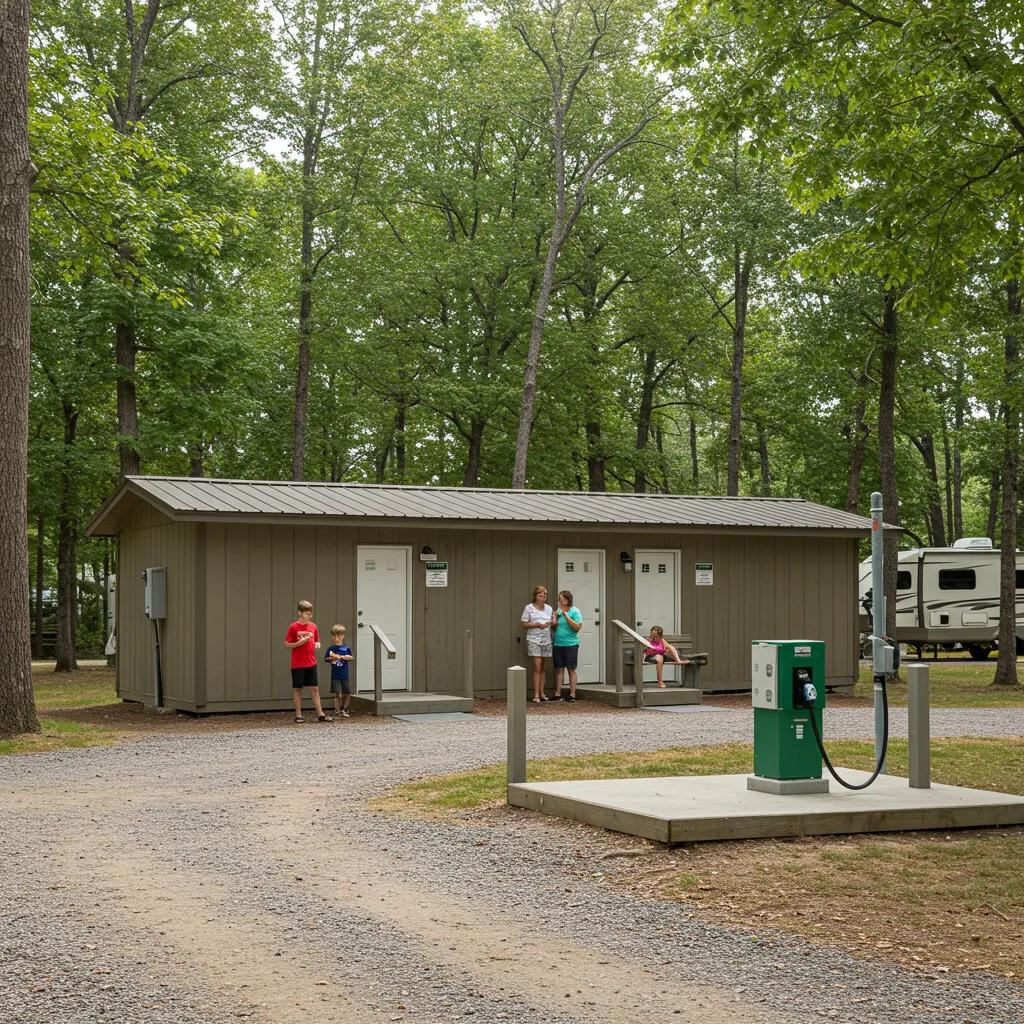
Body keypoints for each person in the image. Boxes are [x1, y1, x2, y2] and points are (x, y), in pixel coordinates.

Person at [283, 599, 332, 722]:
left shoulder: (313, 626)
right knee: (298, 689)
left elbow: (316, 640)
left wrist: (317, 644)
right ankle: (298, 715)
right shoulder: (293, 627)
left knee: (314, 688)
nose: (309, 615)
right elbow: (286, 644)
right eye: (306, 613)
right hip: (298, 663)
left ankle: (320, 714)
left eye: (310, 613)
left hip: (311, 662)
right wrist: (299, 643)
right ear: (299, 613)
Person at [521, 585, 553, 702]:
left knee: (543, 667)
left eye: (544, 595)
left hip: (546, 640)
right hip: (534, 639)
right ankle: (535, 695)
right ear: (535, 596)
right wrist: (537, 625)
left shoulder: (549, 609)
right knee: (537, 666)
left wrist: (553, 622)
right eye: (540, 595)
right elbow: (524, 624)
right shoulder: (529, 608)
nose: (543, 597)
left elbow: (553, 623)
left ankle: (542, 693)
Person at [551, 589, 583, 702]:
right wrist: (554, 622)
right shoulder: (558, 611)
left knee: (571, 669)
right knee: (559, 668)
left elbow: (578, 627)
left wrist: (567, 616)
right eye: (560, 599)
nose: (561, 602)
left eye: (563, 600)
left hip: (571, 644)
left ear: (568, 600)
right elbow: (555, 628)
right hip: (558, 643)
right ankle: (557, 693)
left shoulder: (575, 611)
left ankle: (572, 694)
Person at [324, 624, 354, 717]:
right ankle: (337, 710)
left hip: (344, 675)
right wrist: (331, 658)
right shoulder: (331, 649)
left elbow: (351, 657)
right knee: (338, 694)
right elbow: (326, 659)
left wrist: (344, 657)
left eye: (339, 635)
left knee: (347, 693)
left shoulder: (346, 648)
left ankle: (344, 709)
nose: (336, 637)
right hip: (335, 676)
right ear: (332, 636)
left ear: (343, 636)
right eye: (334, 636)